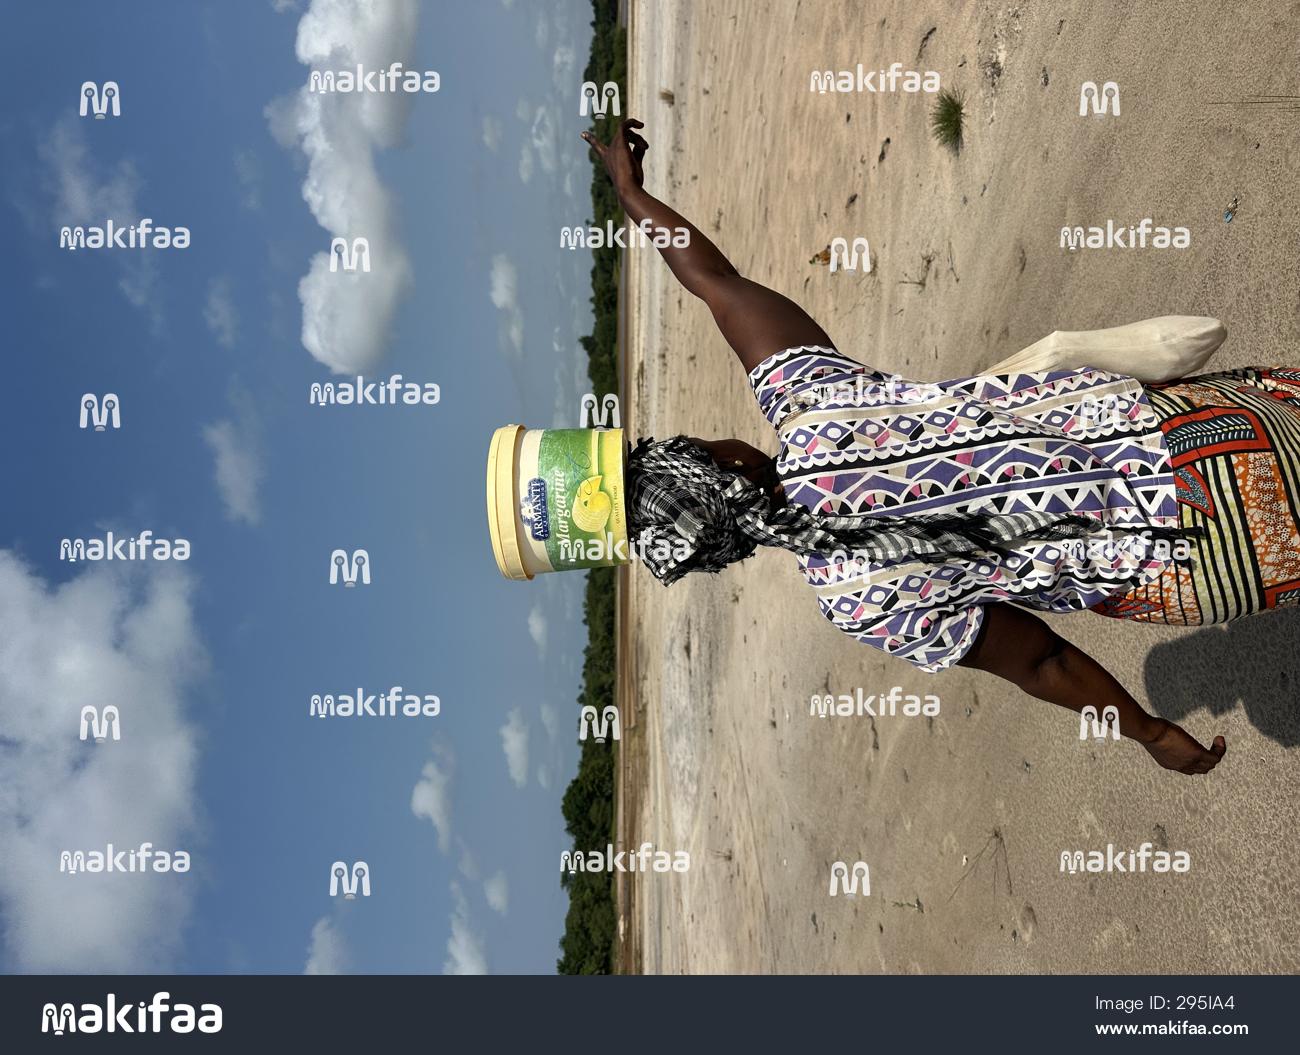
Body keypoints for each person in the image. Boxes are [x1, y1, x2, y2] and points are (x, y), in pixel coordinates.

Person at [583, 119, 1300, 777]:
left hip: (1195, 570)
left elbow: (1042, 660)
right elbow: (716, 284)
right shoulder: (811, 401)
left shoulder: (852, 599)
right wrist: (633, 195)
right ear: (727, 460)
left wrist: (1147, 732)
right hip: (1198, 443)